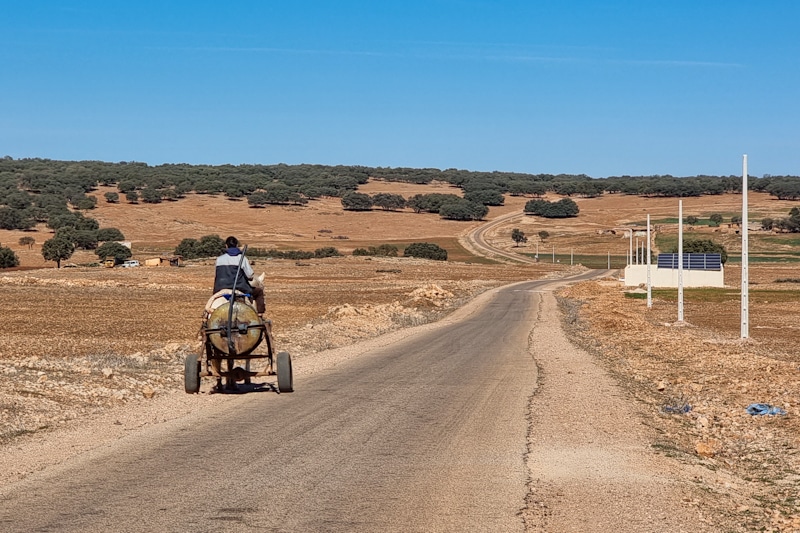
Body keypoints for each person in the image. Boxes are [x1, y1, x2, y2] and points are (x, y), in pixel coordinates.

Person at [213, 236, 265, 315]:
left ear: (226, 246)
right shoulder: (242, 258)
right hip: (240, 288)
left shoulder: (219, 259)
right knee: (259, 292)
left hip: (220, 288)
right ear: (237, 245)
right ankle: (260, 315)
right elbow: (250, 275)